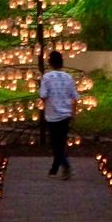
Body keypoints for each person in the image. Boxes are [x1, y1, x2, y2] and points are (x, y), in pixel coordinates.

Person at [39, 50, 80, 180]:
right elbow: (74, 97)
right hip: (66, 114)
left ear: (50, 63)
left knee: (55, 143)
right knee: (60, 143)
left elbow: (43, 95)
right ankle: (54, 169)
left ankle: (65, 166)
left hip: (52, 115)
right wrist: (74, 113)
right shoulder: (68, 77)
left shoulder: (46, 77)